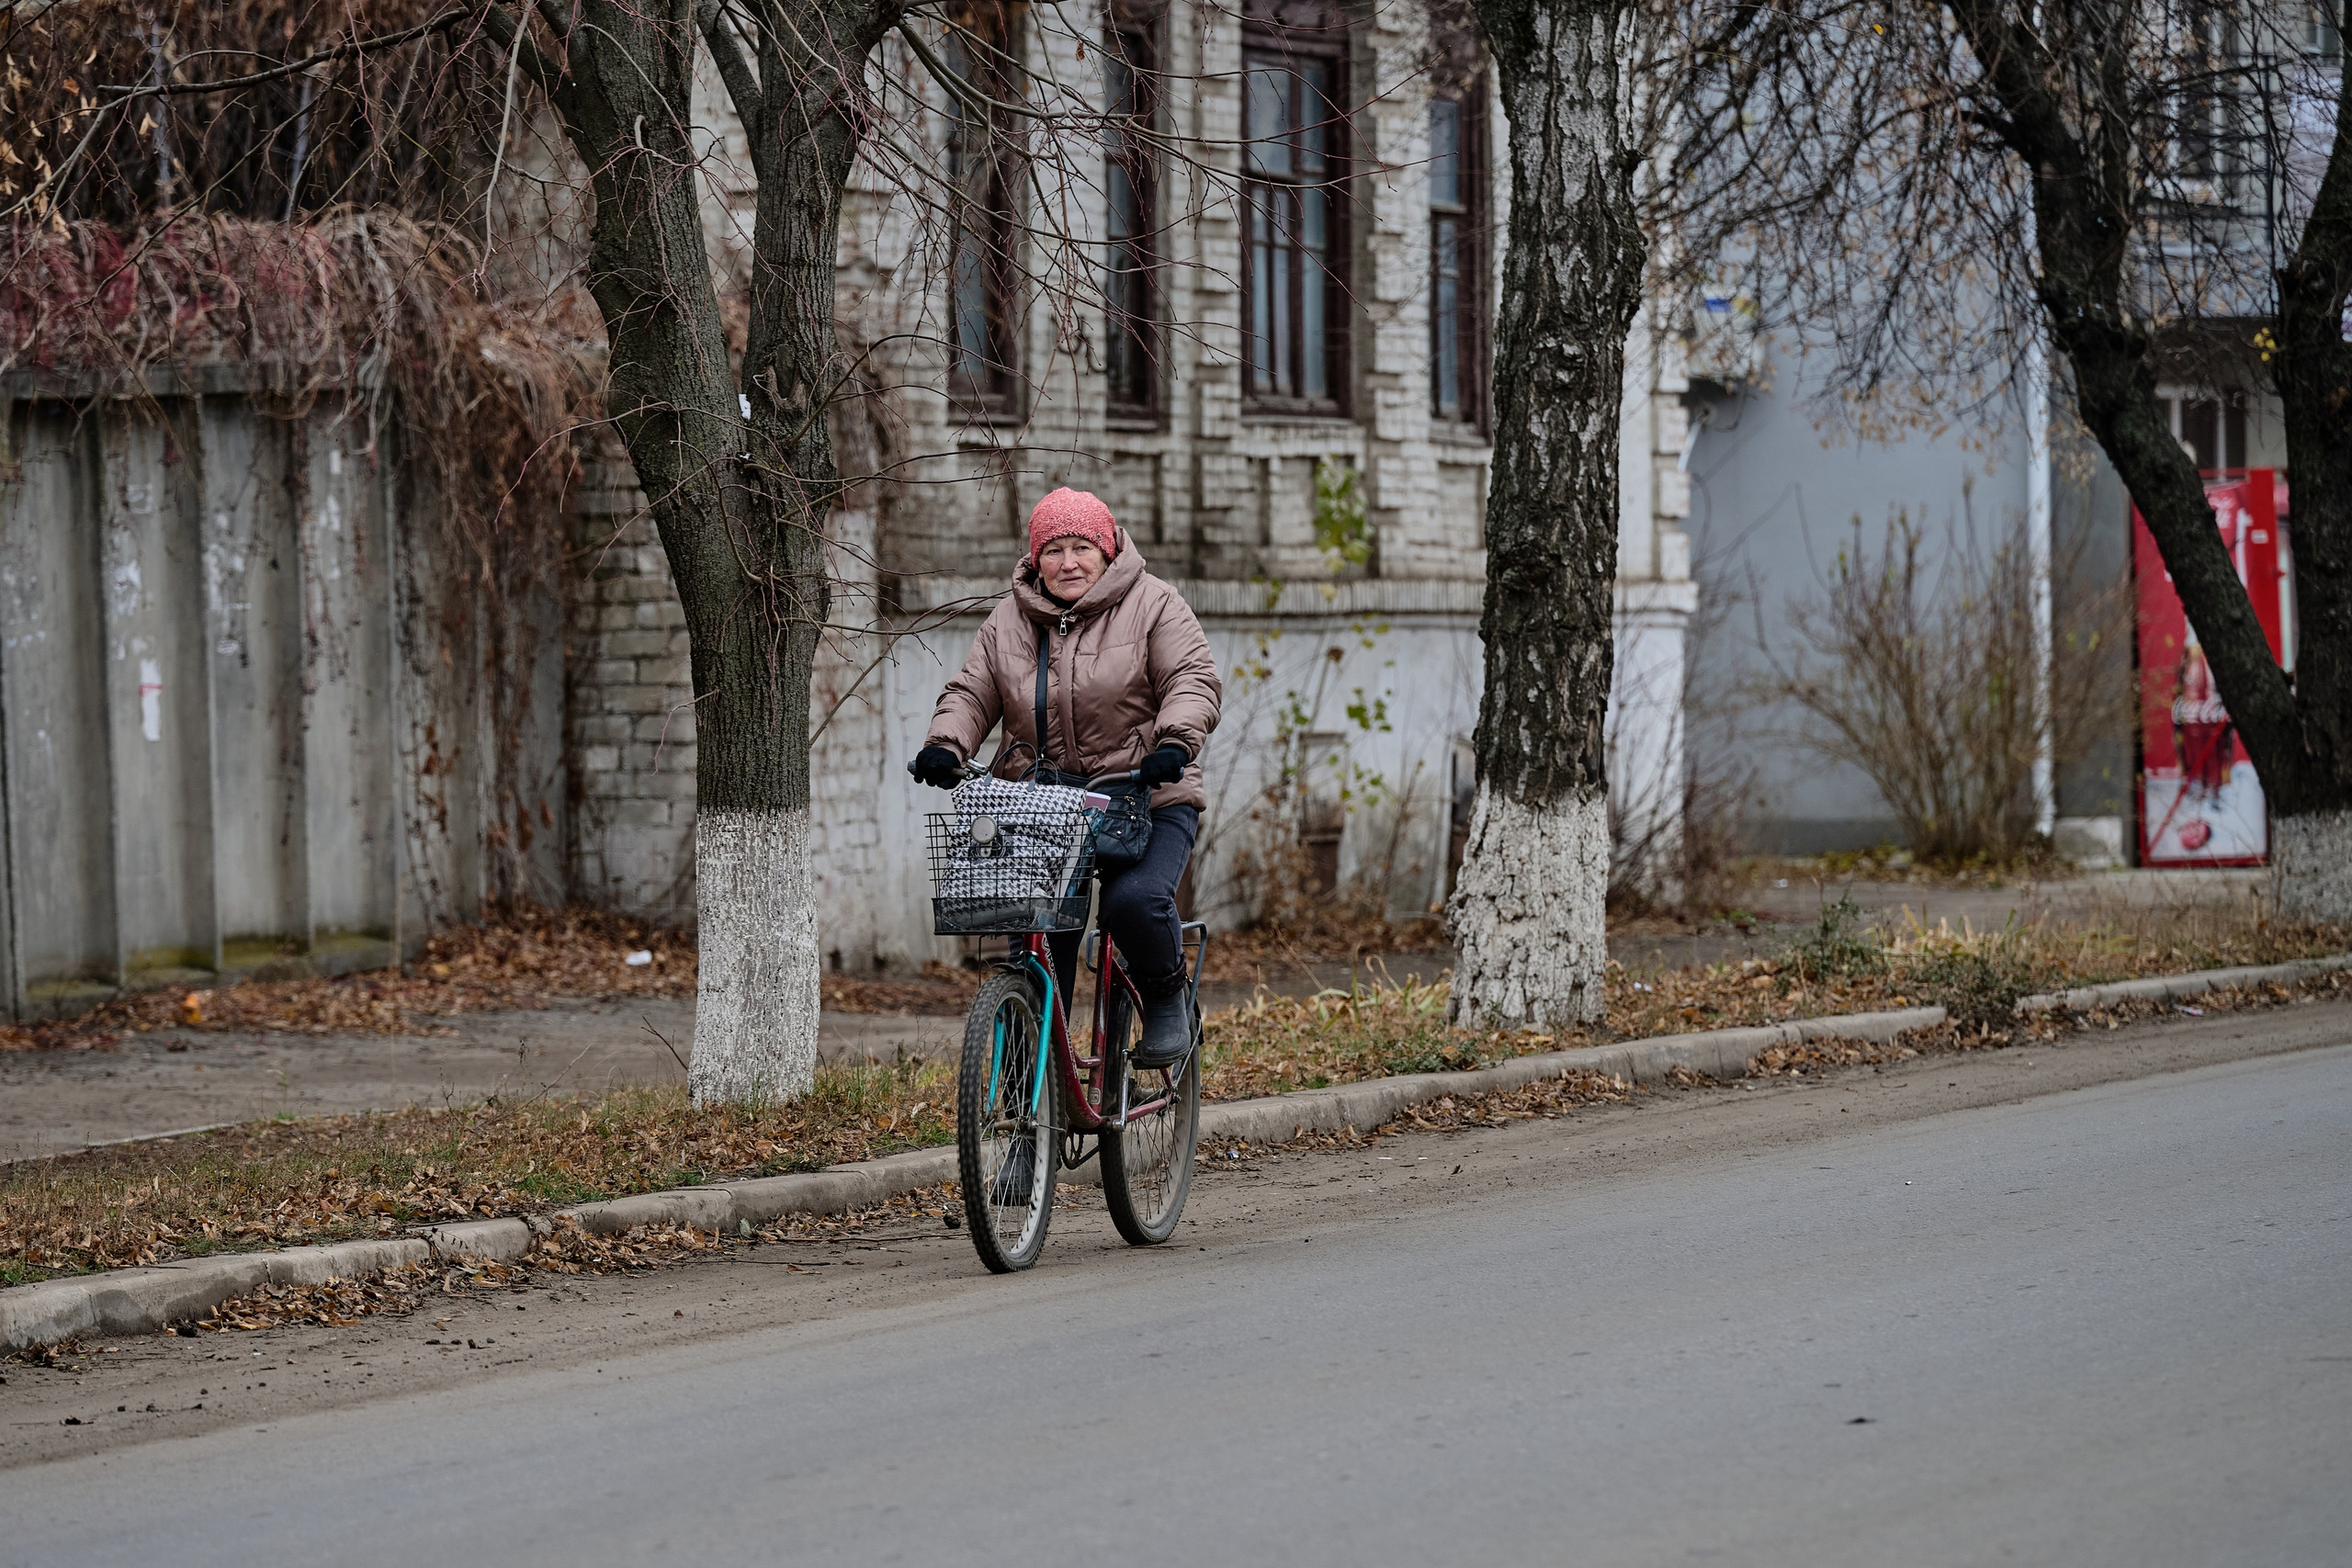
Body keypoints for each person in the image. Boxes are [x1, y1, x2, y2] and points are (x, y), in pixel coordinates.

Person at [910, 488, 1222, 1065]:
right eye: (1053, 550)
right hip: (1042, 807)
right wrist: (944, 745)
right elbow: (973, 691)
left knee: (1135, 901)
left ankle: (1164, 996)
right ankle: (1027, 1105)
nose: (1068, 563)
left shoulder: (1155, 605)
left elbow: (1192, 679)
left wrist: (1174, 743)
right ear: (1035, 560)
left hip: (1144, 795)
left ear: (1107, 552)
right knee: (1035, 938)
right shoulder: (1009, 620)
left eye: (1082, 547)